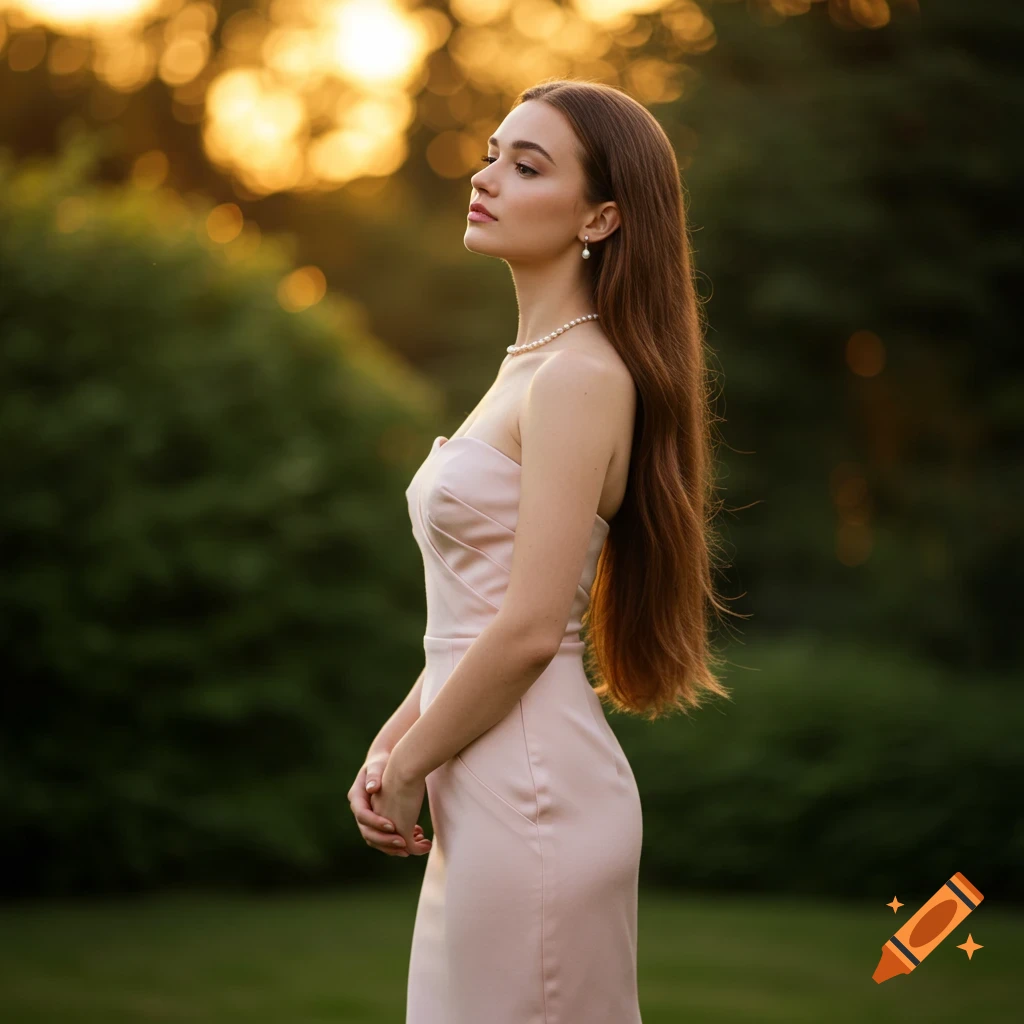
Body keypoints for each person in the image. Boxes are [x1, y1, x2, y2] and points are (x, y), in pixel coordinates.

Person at [347, 79, 734, 1024]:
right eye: (492, 154)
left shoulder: (579, 375)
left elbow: (529, 631)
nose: (486, 177)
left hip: (533, 797)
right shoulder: (527, 366)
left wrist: (406, 773)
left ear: (601, 217)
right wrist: (395, 742)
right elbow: (472, 617)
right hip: (484, 786)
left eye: (527, 166)